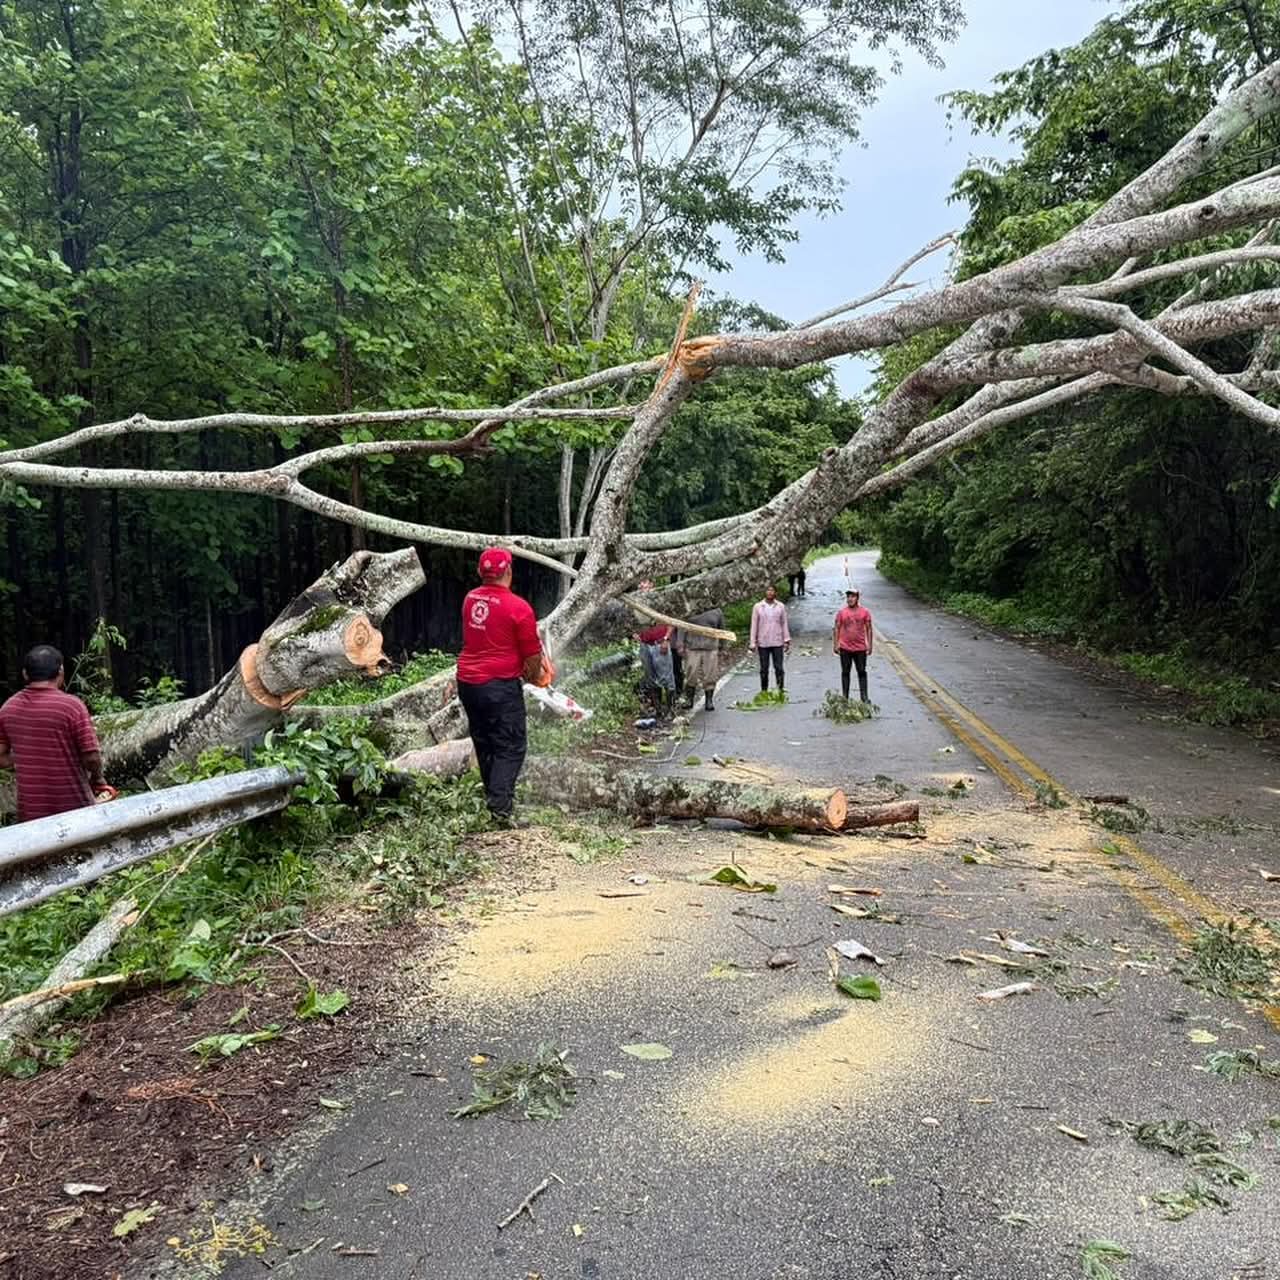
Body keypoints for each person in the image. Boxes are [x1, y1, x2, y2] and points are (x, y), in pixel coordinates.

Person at [457, 548, 545, 826]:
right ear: (508, 571)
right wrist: (534, 676)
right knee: (511, 746)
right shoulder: (519, 608)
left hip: (468, 683)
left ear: (480, 572)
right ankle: (500, 810)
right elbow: (532, 655)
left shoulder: (470, 599)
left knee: (485, 743)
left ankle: (495, 803)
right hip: (498, 685)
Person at [0, 644, 109, 823]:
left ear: (25, 674)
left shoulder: (8, 709)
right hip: (74, 809)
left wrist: (28, 757)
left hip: (31, 815)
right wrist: (98, 779)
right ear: (61, 671)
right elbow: (91, 757)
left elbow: (1, 758)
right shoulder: (72, 706)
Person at [675, 605, 727, 711]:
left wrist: (723, 647)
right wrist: (680, 644)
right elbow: (681, 626)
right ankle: (689, 699)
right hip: (692, 646)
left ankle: (709, 700)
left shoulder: (716, 611)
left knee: (710, 675)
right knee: (691, 674)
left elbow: (722, 629)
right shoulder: (688, 608)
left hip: (710, 647)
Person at [832, 588, 874, 702]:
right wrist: (835, 644)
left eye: (853, 596)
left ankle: (864, 696)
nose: (850, 599)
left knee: (861, 672)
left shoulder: (864, 612)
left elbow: (869, 628)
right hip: (845, 648)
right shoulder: (842, 613)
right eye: (848, 597)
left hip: (860, 648)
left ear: (857, 598)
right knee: (845, 672)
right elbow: (836, 628)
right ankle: (845, 696)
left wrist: (870, 645)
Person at [749, 585, 791, 693]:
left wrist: (786, 639)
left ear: (775, 592)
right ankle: (764, 690)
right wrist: (752, 642)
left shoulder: (780, 606)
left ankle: (780, 689)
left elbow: (784, 623)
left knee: (779, 668)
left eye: (772, 590)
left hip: (777, 641)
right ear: (764, 592)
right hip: (763, 642)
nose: (770, 592)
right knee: (764, 669)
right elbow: (754, 625)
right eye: (768, 590)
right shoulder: (758, 607)